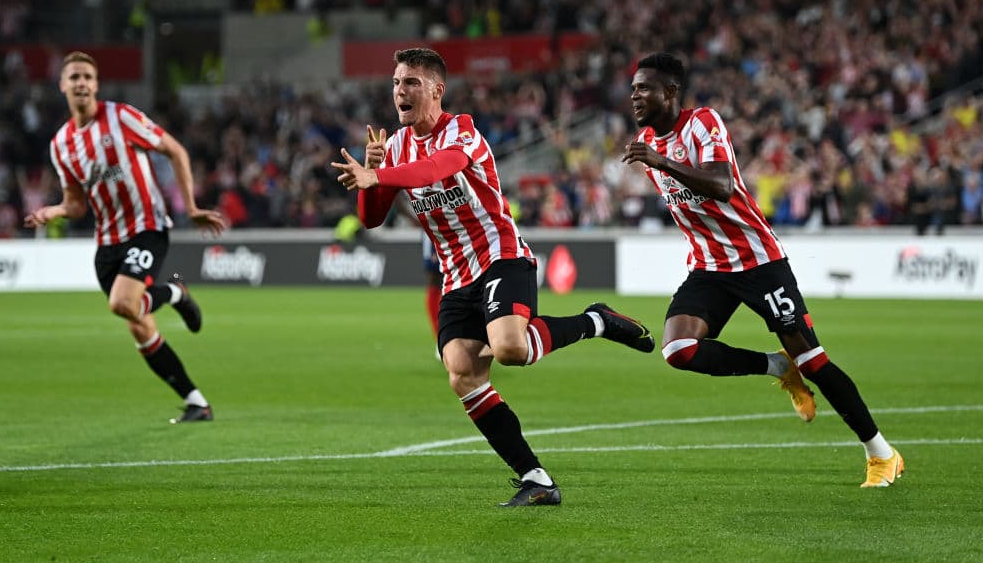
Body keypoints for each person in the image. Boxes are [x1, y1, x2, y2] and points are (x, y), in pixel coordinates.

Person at [332, 47, 655, 506]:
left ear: (437, 90)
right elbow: (370, 218)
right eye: (396, 83)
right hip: (455, 274)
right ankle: (536, 478)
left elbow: (438, 167)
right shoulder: (396, 147)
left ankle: (596, 321)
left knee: (509, 349)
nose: (400, 91)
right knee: (462, 373)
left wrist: (384, 175)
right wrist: (374, 173)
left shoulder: (461, 132)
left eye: (411, 83)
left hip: (500, 257)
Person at [621, 52, 903, 488]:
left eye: (644, 87)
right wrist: (656, 162)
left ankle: (881, 454)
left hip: (758, 261)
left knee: (813, 360)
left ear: (671, 91)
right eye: (633, 88)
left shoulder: (702, 123)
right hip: (709, 267)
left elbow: (721, 185)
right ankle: (776, 366)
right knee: (678, 349)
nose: (635, 95)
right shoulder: (645, 142)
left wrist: (662, 162)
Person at [23, 51, 227, 424]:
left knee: (123, 302)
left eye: (87, 76)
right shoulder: (61, 144)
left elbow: (174, 149)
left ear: (96, 84)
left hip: (147, 227)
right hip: (107, 242)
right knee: (139, 325)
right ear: (62, 85)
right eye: (74, 77)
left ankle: (176, 293)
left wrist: (191, 207)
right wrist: (53, 211)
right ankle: (197, 403)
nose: (81, 83)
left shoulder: (120, 117)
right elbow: (76, 204)